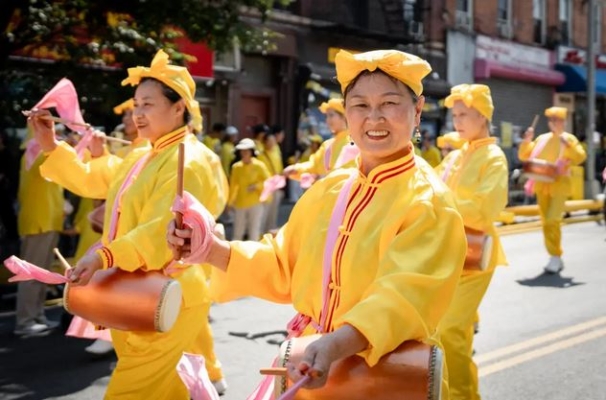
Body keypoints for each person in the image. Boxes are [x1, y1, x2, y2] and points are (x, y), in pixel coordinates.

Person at [167, 49, 467, 398]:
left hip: (384, 377)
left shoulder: (430, 202)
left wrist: (334, 345)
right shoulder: (331, 187)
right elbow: (282, 265)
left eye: (389, 103)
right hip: (311, 364)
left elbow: (402, 299)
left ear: (417, 110)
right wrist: (210, 249)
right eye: (359, 105)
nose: (374, 118)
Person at [29, 49, 226, 399]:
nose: (137, 113)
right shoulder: (141, 154)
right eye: (136, 104)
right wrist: (51, 146)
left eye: (148, 104)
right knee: (164, 390)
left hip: (167, 297)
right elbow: (92, 178)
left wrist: (104, 256)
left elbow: (159, 232)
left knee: (130, 391)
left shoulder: (190, 161)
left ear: (178, 108)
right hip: (131, 292)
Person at [435, 84, 509, 400]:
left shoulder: (494, 157)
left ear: (482, 116)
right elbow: (426, 185)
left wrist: (439, 200)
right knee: (448, 333)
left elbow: (483, 210)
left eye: (463, 114)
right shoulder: (456, 156)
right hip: (447, 254)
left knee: (450, 330)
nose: (457, 121)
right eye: (455, 115)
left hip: (475, 256)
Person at [518, 106, 586, 273]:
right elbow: (524, 156)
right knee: (546, 222)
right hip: (541, 184)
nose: (553, 123)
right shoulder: (541, 138)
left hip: (559, 185)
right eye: (551, 120)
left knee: (552, 220)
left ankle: (555, 256)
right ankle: (554, 256)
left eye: (556, 119)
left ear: (563, 122)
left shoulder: (569, 138)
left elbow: (580, 157)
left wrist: (568, 145)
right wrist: (527, 141)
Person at [14, 128, 64, 337]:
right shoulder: (34, 153)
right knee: (31, 274)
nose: (57, 136)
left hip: (47, 222)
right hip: (39, 222)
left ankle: (37, 316)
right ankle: (25, 321)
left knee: (41, 273)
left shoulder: (39, 153)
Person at [283, 98, 355, 180]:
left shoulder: (353, 143)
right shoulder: (328, 144)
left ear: (344, 117)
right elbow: (314, 165)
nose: (327, 120)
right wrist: (296, 169)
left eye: (331, 115)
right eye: (327, 116)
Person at [228, 138, 270, 241]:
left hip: (255, 202)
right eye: (242, 151)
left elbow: (269, 182)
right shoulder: (236, 167)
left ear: (252, 151)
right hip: (240, 203)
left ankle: (253, 255)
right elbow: (233, 186)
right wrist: (229, 203)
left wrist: (256, 186)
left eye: (247, 150)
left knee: (254, 231)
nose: (244, 153)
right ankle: (235, 254)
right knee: (238, 231)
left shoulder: (259, 165)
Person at [258, 132, 285, 233]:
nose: (273, 143)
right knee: (264, 211)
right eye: (271, 141)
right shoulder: (260, 155)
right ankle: (260, 233)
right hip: (266, 187)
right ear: (265, 142)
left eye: (274, 141)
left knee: (273, 211)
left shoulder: (276, 152)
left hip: (276, 186)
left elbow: (279, 168)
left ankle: (270, 231)